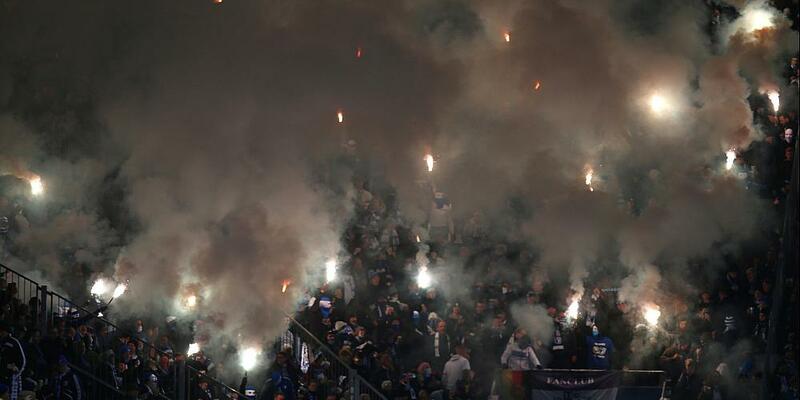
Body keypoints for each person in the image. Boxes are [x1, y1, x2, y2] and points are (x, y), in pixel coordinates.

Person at [0, 321, 26, 400]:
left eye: (2, 331)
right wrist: (5, 365)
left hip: (11, 378)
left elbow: (22, 361)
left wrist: (16, 374)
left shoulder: (14, 342)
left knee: (11, 397)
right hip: (1, 376)